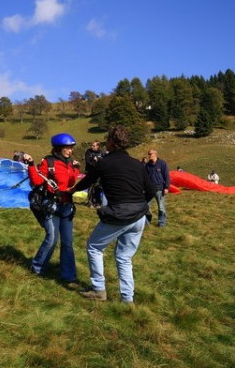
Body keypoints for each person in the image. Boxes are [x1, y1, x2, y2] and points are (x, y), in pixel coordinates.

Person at [69, 125, 154, 303]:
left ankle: (98, 290)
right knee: (124, 257)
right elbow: (151, 190)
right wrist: (138, 205)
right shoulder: (137, 164)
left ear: (111, 143)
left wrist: (72, 190)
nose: (104, 143)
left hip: (119, 214)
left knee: (94, 247)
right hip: (139, 216)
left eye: (107, 139)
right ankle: (127, 299)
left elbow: (88, 182)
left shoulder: (104, 163)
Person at [23, 133, 81, 289]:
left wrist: (76, 169)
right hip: (52, 205)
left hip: (67, 207)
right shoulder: (49, 162)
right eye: (67, 148)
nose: (70, 150)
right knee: (52, 238)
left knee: (67, 242)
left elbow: (72, 181)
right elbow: (37, 181)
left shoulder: (72, 164)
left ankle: (68, 276)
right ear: (59, 148)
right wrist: (31, 165)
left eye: (71, 148)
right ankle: (37, 268)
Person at [144, 148, 170, 227]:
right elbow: (145, 178)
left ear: (155, 154)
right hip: (149, 190)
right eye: (148, 154)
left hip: (159, 189)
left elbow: (166, 176)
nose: (149, 156)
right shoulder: (147, 165)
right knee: (145, 207)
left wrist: (166, 187)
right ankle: (147, 222)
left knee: (161, 207)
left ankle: (161, 223)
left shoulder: (162, 163)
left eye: (150, 154)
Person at [84, 140, 105, 208]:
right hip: (90, 171)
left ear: (98, 146)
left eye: (94, 146)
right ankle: (90, 202)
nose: (92, 147)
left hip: (98, 173)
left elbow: (104, 162)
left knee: (98, 187)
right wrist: (94, 161)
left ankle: (98, 202)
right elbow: (88, 161)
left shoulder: (101, 153)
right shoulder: (88, 152)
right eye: (92, 145)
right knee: (90, 186)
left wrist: (98, 160)